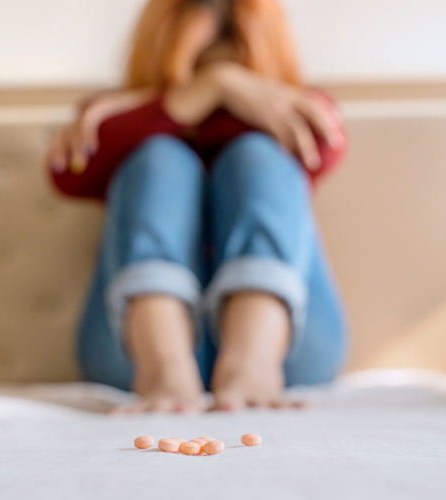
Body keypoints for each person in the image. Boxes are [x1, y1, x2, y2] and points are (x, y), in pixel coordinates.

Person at [47, 0, 348, 413]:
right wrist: (213, 88)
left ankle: (254, 360)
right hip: (132, 356)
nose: (216, 84)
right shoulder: (110, 116)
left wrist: (196, 96)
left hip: (290, 351)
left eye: (237, 70)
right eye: (195, 71)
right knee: (160, 159)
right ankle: (163, 364)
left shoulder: (299, 108)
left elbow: (323, 147)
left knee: (258, 154)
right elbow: (68, 172)